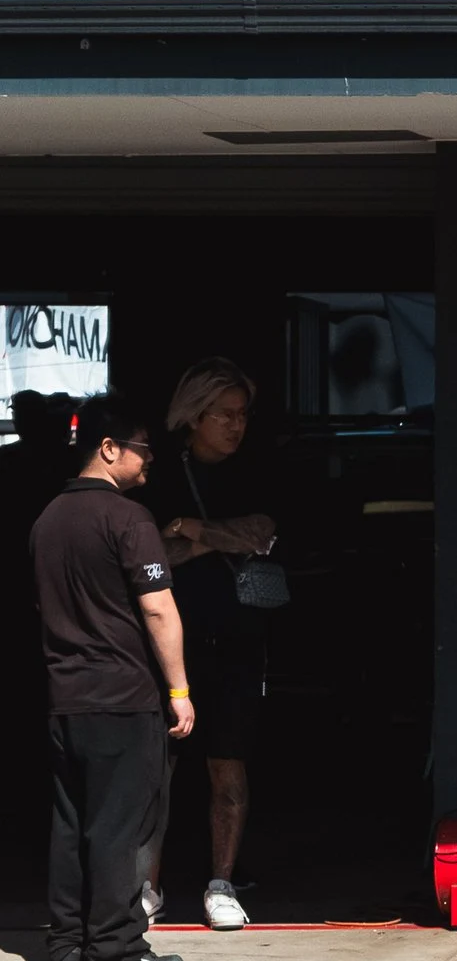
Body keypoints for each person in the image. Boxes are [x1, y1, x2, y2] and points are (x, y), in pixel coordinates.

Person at [31, 403, 192, 961]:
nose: (149, 459)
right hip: (123, 695)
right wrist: (178, 688)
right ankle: (117, 949)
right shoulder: (130, 520)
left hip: (64, 696)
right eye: (142, 448)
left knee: (71, 822)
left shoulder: (47, 519)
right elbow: (157, 607)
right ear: (108, 449)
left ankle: (67, 947)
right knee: (123, 825)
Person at [142, 359, 276, 930]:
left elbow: (262, 535)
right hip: (171, 645)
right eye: (224, 414)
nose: (236, 425)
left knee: (230, 763)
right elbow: (148, 560)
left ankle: (221, 883)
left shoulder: (257, 469)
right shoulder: (160, 477)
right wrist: (217, 537)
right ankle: (146, 885)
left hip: (239, 639)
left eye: (243, 414)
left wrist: (190, 530)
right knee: (158, 769)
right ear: (193, 416)